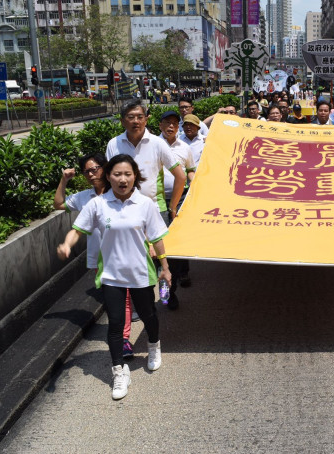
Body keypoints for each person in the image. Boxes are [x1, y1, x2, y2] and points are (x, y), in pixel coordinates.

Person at [57, 154, 171, 400]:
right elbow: (77, 231)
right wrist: (67, 245)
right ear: (108, 176)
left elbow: (157, 238)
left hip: (140, 272)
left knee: (149, 316)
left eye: (128, 174)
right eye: (117, 174)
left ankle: (153, 346)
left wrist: (165, 267)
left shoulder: (145, 204)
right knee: (116, 324)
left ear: (135, 177)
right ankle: (119, 371)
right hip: (111, 275)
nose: (123, 179)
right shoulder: (98, 204)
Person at [105, 99, 186, 308]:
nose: (135, 121)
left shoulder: (157, 144)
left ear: (147, 119)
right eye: (130, 117)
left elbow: (180, 176)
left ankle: (168, 293)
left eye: (140, 117)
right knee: (137, 259)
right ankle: (145, 302)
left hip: (156, 210)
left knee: (166, 258)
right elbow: (108, 179)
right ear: (123, 121)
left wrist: (173, 206)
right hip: (125, 211)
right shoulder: (114, 144)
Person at [160, 111, 196, 291]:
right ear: (160, 126)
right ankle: (164, 274)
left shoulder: (184, 147)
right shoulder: (153, 145)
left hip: (181, 197)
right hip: (158, 199)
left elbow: (189, 169)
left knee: (180, 235)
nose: (171, 126)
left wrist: (194, 182)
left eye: (175, 123)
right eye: (167, 123)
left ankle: (183, 272)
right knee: (161, 238)